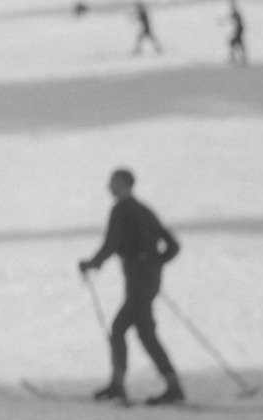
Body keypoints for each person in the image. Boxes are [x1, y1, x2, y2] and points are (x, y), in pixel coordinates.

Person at [77, 167, 184, 405]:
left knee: (119, 328)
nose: (109, 187)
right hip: (148, 280)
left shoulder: (121, 210)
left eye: (114, 182)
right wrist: (154, 264)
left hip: (138, 281)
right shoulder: (145, 210)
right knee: (145, 333)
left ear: (125, 184)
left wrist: (92, 264)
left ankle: (120, 385)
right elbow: (173, 246)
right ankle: (170, 386)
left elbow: (112, 242)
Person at [226, 0, 248, 66]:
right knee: (237, 43)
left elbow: (235, 16)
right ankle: (239, 58)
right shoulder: (236, 13)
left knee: (234, 42)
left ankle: (236, 58)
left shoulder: (236, 13)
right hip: (239, 29)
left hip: (239, 29)